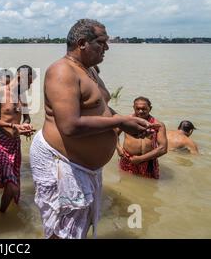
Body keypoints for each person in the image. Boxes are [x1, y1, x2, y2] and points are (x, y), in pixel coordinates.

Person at [29, 19, 156, 239]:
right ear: (82, 43)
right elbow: (70, 125)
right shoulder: (62, 72)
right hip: (61, 161)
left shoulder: (90, 70)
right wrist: (119, 122)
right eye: (102, 42)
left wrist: (127, 121)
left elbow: (101, 107)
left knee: (79, 226)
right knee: (62, 231)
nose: (107, 48)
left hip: (85, 167)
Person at [0, 65, 36, 213]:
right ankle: (1, 214)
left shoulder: (22, 96)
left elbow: (27, 117)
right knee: (12, 185)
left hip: (15, 143)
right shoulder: (0, 92)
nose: (29, 86)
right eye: (28, 83)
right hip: (0, 142)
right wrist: (12, 126)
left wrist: (26, 126)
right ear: (20, 78)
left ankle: (3, 213)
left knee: (13, 186)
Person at [116, 97, 167, 179]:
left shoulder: (158, 125)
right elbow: (113, 134)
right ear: (133, 108)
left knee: (150, 188)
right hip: (128, 159)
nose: (140, 111)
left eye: (144, 109)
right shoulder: (126, 121)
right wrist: (118, 148)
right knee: (125, 184)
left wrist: (141, 159)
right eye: (138, 109)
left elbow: (163, 149)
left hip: (149, 162)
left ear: (150, 108)